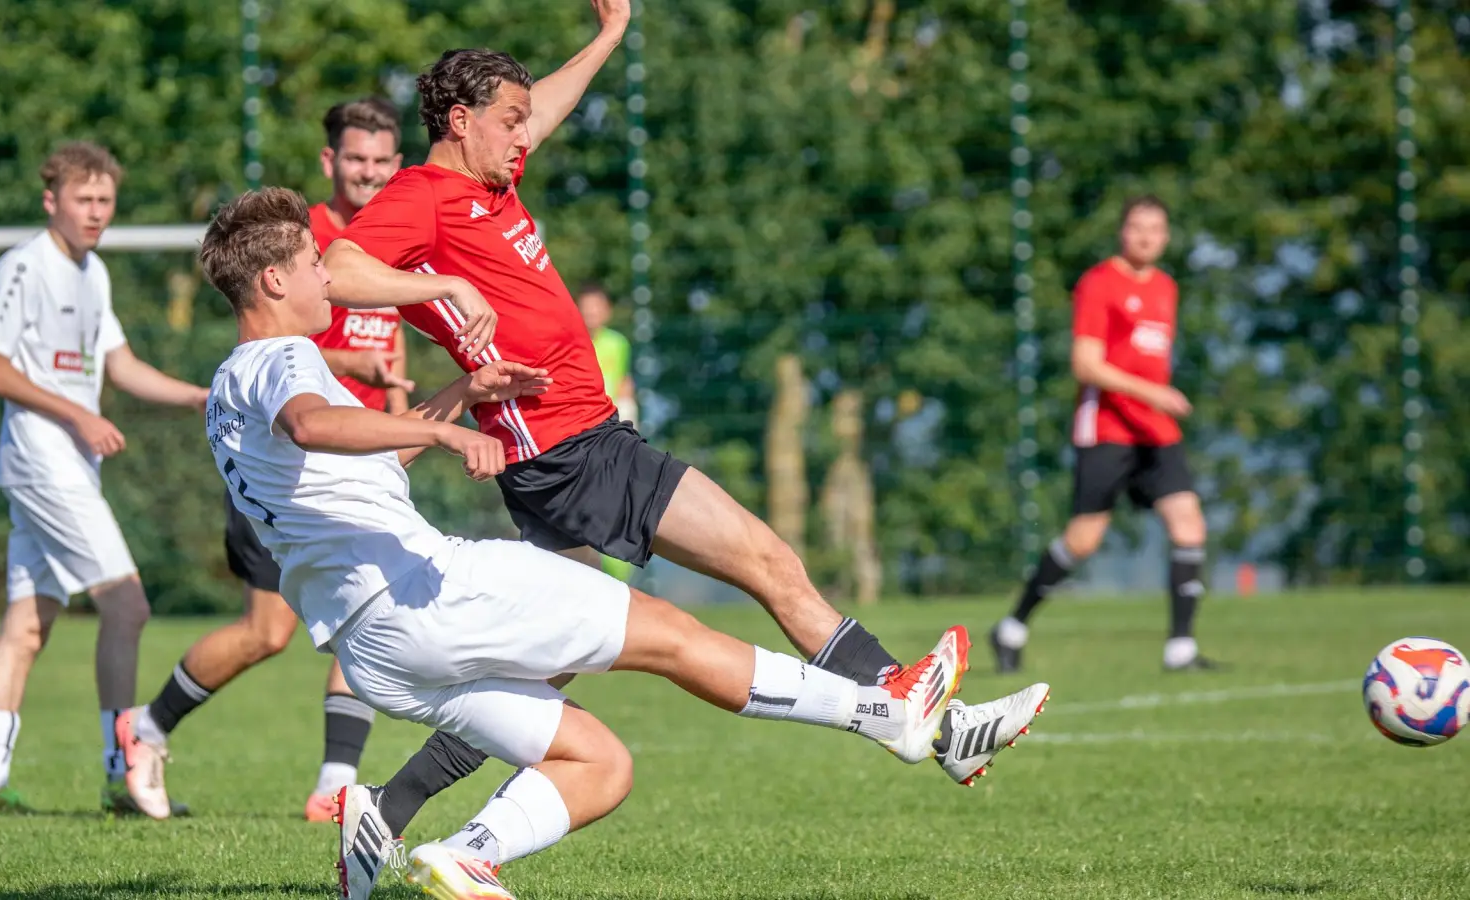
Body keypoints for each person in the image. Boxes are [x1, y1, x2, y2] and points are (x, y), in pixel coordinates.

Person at [190, 186, 1049, 900]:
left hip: (373, 646)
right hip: (431, 591)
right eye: (310, 265)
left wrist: (460, 393)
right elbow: (312, 425)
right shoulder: (284, 364)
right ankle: (893, 715)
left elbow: (356, 456)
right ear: (271, 280)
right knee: (674, 637)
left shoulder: (227, 396)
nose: (325, 278)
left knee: (598, 762)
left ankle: (464, 852)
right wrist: (454, 438)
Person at [321, 5, 1044, 836]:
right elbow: (338, 270)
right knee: (767, 561)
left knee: (550, 667)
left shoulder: (491, 178)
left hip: (566, 451)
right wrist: (442, 289)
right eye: (509, 122)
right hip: (571, 447)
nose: (527, 137)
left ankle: (385, 807)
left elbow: (542, 108)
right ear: (460, 120)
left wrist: (606, 37)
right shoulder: (424, 196)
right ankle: (916, 713)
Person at [117, 98, 418, 822]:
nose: (369, 173)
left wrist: (409, 428)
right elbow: (279, 349)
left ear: (397, 165)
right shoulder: (296, 244)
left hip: (356, 464)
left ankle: (332, 785)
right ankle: (147, 726)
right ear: (331, 162)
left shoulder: (400, 242)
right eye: (356, 160)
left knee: (372, 595)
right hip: (288, 458)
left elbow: (394, 352)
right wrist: (354, 366)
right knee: (267, 632)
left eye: (381, 161)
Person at [0, 142, 211, 817]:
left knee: (28, 625)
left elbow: (121, 365)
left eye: (105, 201)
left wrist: (196, 396)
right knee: (128, 605)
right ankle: (121, 772)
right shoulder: (24, 265)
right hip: (43, 460)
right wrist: (77, 413)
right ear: (53, 201)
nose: (96, 213)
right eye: (83, 200)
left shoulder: (92, 272)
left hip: (68, 466)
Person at [991, 195, 1216, 674]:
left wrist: (1155, 402)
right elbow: (1086, 364)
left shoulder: (1165, 288)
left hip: (1155, 431)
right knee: (1083, 541)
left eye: (1156, 228)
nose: (1146, 237)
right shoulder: (1099, 284)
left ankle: (1181, 650)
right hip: (1108, 429)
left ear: (1167, 236)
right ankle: (1012, 627)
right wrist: (1150, 393)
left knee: (1189, 524)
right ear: (1122, 231)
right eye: (1137, 227)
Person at [575, 283, 636, 582]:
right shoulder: (570, 342)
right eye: (585, 308)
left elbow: (624, 381)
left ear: (607, 311)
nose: (591, 314)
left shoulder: (618, 343)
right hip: (576, 434)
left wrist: (629, 421)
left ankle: (620, 580)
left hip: (610, 431)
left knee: (614, 502)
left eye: (597, 307)